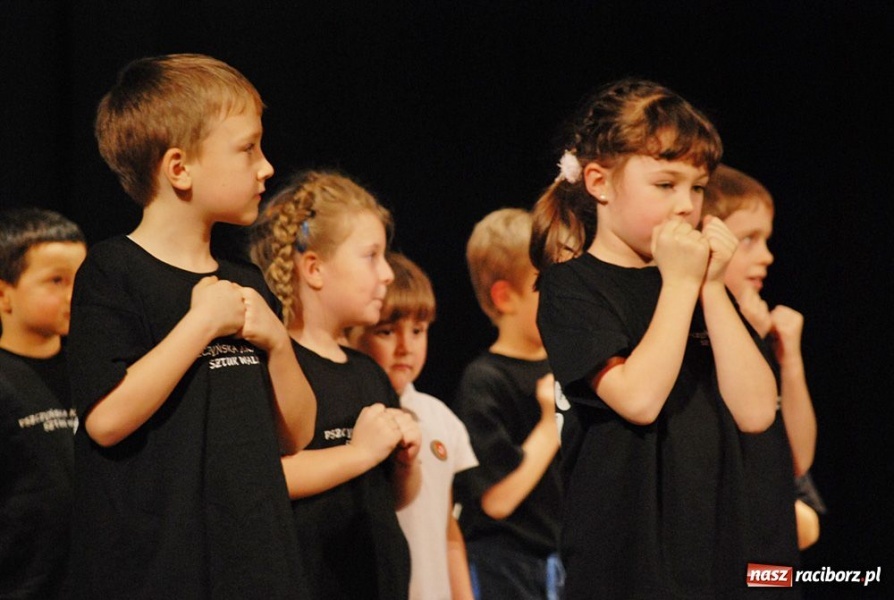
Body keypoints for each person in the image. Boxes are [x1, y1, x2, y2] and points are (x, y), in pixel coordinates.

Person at [66, 54, 316, 599]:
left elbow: (297, 434)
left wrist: (276, 342)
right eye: (247, 148)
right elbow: (106, 419)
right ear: (179, 168)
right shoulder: (113, 270)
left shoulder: (245, 278)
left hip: (255, 563)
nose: (266, 166)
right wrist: (199, 324)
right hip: (158, 569)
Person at [530, 78, 784, 598]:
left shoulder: (699, 286)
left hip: (713, 556)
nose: (686, 206)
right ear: (599, 183)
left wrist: (712, 288)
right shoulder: (572, 286)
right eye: (666, 185)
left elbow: (757, 412)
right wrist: (683, 284)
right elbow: (639, 399)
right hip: (622, 565)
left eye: (696, 187)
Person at [249, 170, 421, 600]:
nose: (386, 275)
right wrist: (358, 452)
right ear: (314, 269)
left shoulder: (368, 372)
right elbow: (262, 477)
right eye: (371, 256)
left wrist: (403, 462)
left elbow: (395, 498)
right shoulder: (272, 364)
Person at [703, 163, 825, 551]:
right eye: (749, 239)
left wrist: (789, 363)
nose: (767, 256)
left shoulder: (762, 325)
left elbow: (797, 460)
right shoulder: (694, 330)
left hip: (766, 559)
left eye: (766, 240)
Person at [348, 251, 479, 600]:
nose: (406, 347)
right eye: (387, 332)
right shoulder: (350, 414)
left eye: (418, 331)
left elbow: (447, 530)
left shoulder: (441, 419)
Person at [452, 207, 564, 600]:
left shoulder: (569, 366)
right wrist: (551, 424)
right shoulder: (484, 381)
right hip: (507, 568)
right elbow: (497, 500)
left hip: (564, 560)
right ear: (505, 296)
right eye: (546, 284)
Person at [0, 207, 86, 599]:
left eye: (79, 280)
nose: (74, 295)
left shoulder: (91, 368)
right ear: (4, 294)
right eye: (56, 281)